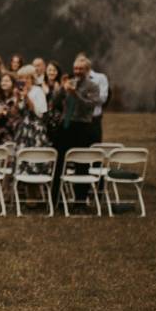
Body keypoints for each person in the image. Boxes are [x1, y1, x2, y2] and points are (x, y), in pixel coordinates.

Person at [51, 54, 101, 204]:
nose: (77, 71)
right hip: (66, 125)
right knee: (59, 162)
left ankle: (80, 200)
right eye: (75, 68)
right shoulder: (70, 82)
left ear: (87, 70)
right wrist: (61, 89)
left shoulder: (93, 86)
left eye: (80, 69)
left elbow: (90, 105)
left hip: (83, 127)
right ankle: (55, 199)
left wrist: (75, 94)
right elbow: (55, 102)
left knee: (81, 163)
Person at [0, 72, 20, 144]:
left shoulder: (17, 95)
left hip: (12, 129)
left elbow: (15, 113)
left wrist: (5, 112)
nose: (4, 83)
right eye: (2, 81)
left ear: (13, 83)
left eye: (7, 81)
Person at [88, 62, 110, 143]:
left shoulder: (100, 78)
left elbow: (102, 98)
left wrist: (87, 96)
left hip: (94, 119)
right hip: (77, 121)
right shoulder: (75, 78)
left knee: (95, 147)